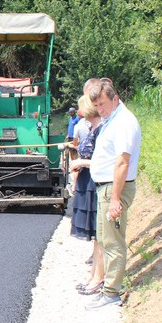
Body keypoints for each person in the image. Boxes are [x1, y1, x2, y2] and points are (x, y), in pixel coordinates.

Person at [85, 78, 141, 310]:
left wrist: (116, 198)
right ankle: (109, 287)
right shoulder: (113, 119)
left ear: (115, 98)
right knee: (106, 239)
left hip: (114, 188)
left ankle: (111, 293)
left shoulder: (124, 123)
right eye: (96, 106)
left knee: (113, 241)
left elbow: (122, 163)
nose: (100, 110)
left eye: (102, 105)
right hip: (106, 188)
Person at [68, 94, 103, 295]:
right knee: (96, 234)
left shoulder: (100, 129)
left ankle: (98, 277)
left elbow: (105, 160)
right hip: (87, 179)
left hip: (93, 180)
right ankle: (94, 274)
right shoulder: (89, 127)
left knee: (100, 233)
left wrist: (81, 163)